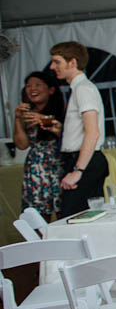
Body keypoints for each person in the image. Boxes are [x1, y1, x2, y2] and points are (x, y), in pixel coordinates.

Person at [48, 41, 109, 218]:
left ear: (72, 63)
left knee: (73, 218)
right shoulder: (78, 89)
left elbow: (92, 132)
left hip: (85, 162)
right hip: (80, 160)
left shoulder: (83, 89)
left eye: (57, 62)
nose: (52, 67)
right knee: (80, 218)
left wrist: (78, 171)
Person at [12, 71, 66, 218]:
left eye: (37, 85)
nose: (32, 89)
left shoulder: (63, 109)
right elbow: (22, 145)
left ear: (51, 89)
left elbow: (68, 136)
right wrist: (17, 118)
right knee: (38, 216)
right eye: (28, 86)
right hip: (36, 168)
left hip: (59, 164)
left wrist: (44, 119)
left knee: (65, 212)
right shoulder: (27, 114)